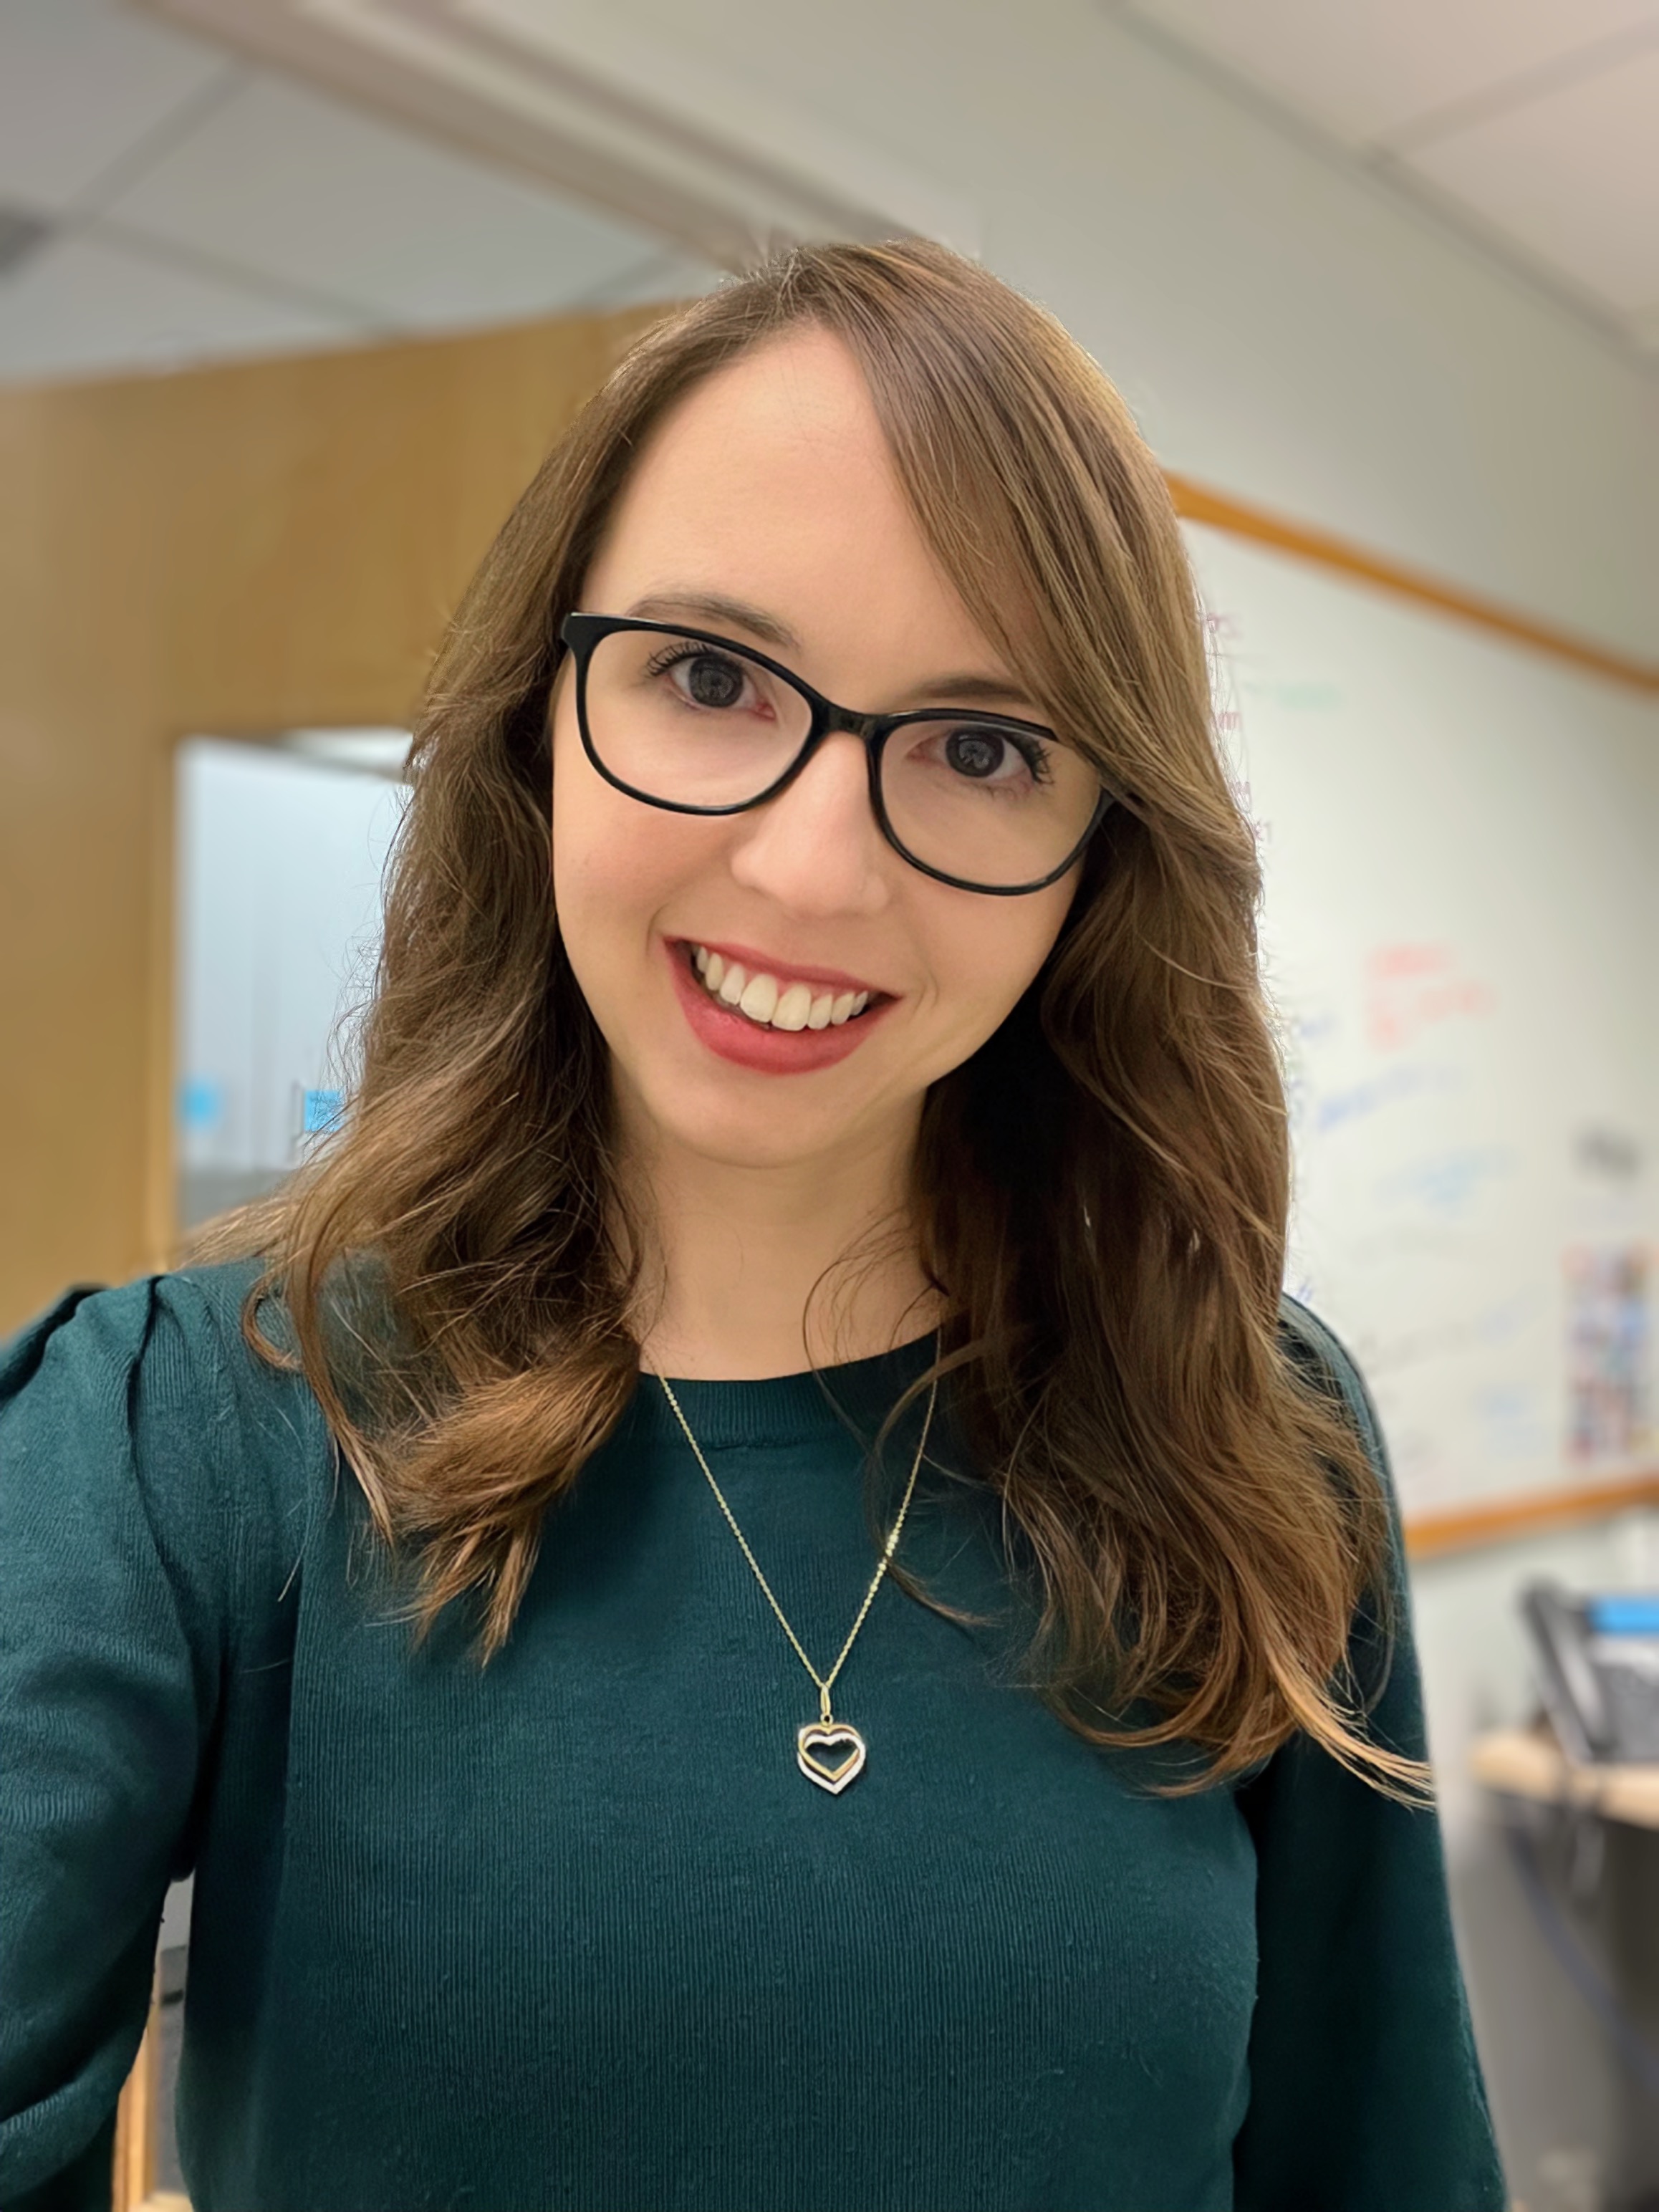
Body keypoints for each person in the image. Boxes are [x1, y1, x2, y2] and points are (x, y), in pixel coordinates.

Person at [1, 240, 1503, 2212]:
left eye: (982, 747)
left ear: (1102, 852)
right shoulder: (187, 1438)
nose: (808, 871)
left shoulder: (1249, 1431)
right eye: (709, 679)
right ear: (542, 717)